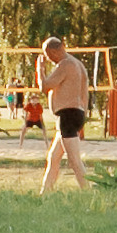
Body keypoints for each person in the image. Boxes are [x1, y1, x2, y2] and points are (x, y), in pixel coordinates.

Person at [35, 34, 91, 190]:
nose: (49, 59)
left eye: (48, 55)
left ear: (54, 51)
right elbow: (85, 93)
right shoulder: (78, 64)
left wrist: (40, 70)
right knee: (53, 157)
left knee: (74, 161)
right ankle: (45, 192)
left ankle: (88, 191)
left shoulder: (65, 65)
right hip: (76, 113)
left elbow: (44, 87)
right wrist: (83, 117)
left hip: (68, 115)